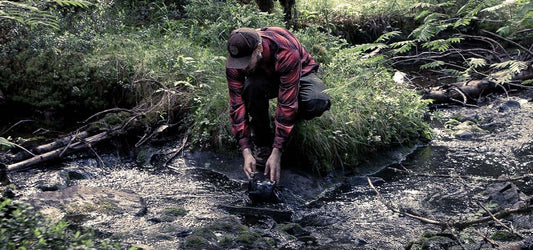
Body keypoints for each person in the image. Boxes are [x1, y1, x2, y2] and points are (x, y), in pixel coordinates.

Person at [226, 27, 331, 185]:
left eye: (246, 62)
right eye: (239, 63)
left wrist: (277, 151)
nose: (242, 68)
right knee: (251, 87)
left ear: (259, 49)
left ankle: (285, 130)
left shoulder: (285, 51)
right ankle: (262, 142)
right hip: (265, 76)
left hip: (300, 72)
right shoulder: (237, 58)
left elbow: (287, 103)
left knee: (316, 101)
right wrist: (246, 151)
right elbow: (236, 105)